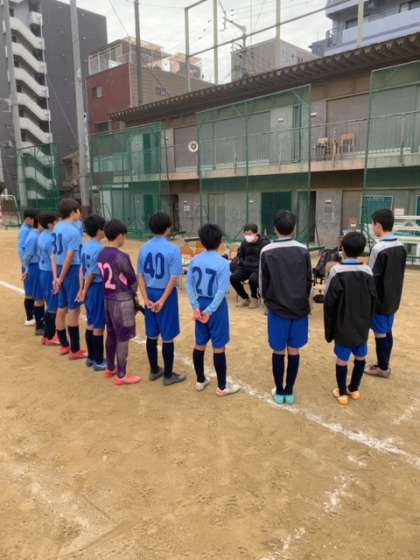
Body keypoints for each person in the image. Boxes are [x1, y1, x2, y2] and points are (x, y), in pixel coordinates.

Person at [260, 211, 312, 405]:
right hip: (299, 309)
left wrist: (267, 302)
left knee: (278, 350)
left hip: (277, 310)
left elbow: (262, 281)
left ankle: (280, 391)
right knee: (294, 350)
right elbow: (308, 280)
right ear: (295, 228)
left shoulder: (267, 250)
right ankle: (289, 391)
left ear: (275, 228)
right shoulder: (303, 250)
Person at [187, 223, 240, 396]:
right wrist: (209, 311)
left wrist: (196, 307)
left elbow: (189, 285)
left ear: (201, 241)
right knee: (219, 346)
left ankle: (200, 380)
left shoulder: (195, 260)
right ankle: (222, 387)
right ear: (220, 241)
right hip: (216, 308)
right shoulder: (223, 263)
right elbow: (222, 291)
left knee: (199, 343)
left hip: (200, 304)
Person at [324, 232, 377, 405]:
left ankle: (342, 392)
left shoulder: (336, 271)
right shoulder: (367, 270)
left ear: (343, 249)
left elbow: (329, 302)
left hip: (343, 324)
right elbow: (373, 298)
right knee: (361, 357)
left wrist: (329, 330)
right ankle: (354, 389)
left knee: (342, 359)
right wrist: (368, 321)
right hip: (361, 324)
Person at [137, 212, 186, 386]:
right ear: (168, 228)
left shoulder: (144, 247)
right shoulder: (173, 248)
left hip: (150, 293)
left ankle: (154, 370)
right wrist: (163, 300)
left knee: (151, 334)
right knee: (167, 336)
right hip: (166, 294)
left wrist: (146, 298)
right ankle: (168, 375)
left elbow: (140, 275)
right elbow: (173, 278)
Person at [98, 219, 142, 385]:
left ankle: (110, 367)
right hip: (122, 300)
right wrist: (135, 296)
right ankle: (122, 374)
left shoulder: (101, 253)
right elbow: (132, 279)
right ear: (119, 236)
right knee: (123, 337)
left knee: (111, 333)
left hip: (107, 298)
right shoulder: (121, 256)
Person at [365, 209, 407, 378]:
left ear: (379, 225)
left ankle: (382, 368)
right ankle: (384, 363)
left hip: (380, 300)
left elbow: (371, 277)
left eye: (373, 224)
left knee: (380, 333)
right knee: (387, 330)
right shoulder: (401, 246)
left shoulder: (379, 248)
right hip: (394, 297)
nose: (372, 227)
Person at [52, 198, 86, 359]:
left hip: (59, 269)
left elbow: (53, 254)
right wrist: (62, 277)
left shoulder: (57, 227)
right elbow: (70, 257)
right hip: (71, 271)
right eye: (78, 210)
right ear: (73, 212)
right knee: (73, 310)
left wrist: (56, 277)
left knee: (61, 308)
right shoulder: (73, 231)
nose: (79, 213)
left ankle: (64, 345)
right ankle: (75, 349)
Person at [78, 215, 106, 371]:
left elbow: (82, 270)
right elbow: (92, 274)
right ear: (99, 230)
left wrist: (82, 289)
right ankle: (99, 360)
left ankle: (91, 357)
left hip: (89, 289)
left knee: (90, 323)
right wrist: (85, 289)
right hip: (96, 288)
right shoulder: (100, 249)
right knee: (98, 325)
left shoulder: (86, 246)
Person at [230, 224, 269, 308]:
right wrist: (242, 262)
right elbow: (240, 256)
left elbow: (266, 259)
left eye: (249, 234)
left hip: (258, 268)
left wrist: (258, 265)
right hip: (245, 267)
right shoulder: (244, 243)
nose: (247, 236)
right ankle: (245, 298)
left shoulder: (264, 243)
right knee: (233, 278)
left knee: (253, 279)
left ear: (256, 233)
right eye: (245, 234)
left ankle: (254, 298)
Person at [37, 212, 60, 346]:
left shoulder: (42, 235)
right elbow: (53, 259)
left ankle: (47, 335)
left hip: (43, 272)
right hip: (49, 273)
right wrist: (56, 278)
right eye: (55, 222)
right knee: (52, 306)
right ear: (50, 224)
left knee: (50, 304)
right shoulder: (50, 239)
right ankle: (49, 336)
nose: (57, 224)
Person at [22, 214, 45, 335]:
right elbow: (28, 256)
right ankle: (39, 326)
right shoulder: (34, 236)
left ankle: (39, 323)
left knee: (38, 296)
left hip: (36, 266)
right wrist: (26, 269)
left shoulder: (36, 235)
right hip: (35, 267)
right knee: (38, 297)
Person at [19, 208, 38, 326]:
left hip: (29, 264)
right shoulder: (25, 230)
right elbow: (21, 249)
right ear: (28, 219)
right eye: (34, 220)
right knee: (29, 293)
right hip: (29, 265)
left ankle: (32, 315)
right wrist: (26, 267)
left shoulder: (28, 229)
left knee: (32, 292)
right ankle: (29, 318)